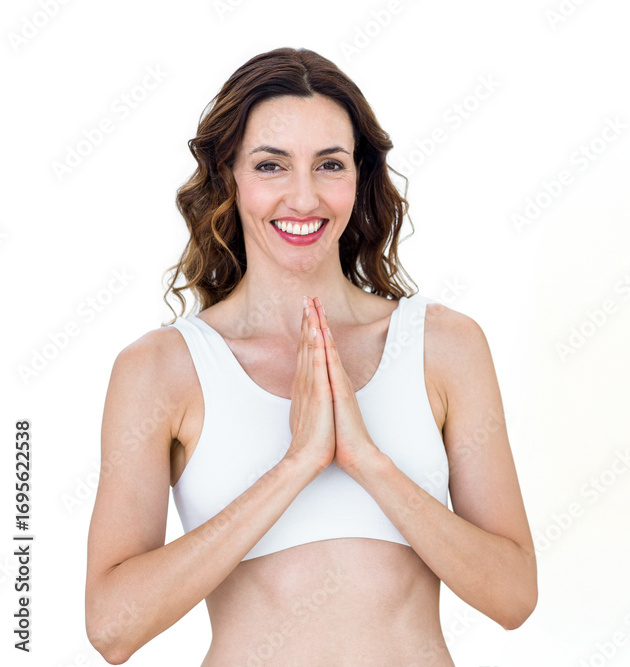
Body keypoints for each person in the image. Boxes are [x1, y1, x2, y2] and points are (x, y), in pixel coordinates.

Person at [84, 47, 536, 665]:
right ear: (229, 176)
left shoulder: (444, 345)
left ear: (360, 177)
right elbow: (112, 627)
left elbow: (513, 596)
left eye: (329, 164)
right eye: (271, 165)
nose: (303, 198)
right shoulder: (163, 368)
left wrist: (367, 461)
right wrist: (294, 466)